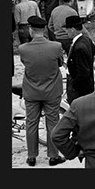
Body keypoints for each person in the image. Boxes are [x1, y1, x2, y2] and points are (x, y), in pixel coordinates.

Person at [18, 16, 66, 167]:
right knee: (52, 123)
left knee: (31, 123)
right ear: (44, 29)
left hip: (32, 91)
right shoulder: (56, 46)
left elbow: (25, 64)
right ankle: (53, 156)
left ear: (31, 30)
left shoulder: (23, 49)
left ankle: (31, 156)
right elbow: (60, 63)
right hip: (52, 90)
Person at [64, 15, 95, 103]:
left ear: (72, 29)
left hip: (80, 91)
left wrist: (74, 85)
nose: (66, 31)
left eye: (67, 29)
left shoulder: (79, 48)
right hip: (89, 86)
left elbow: (83, 73)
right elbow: (94, 50)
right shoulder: (86, 40)